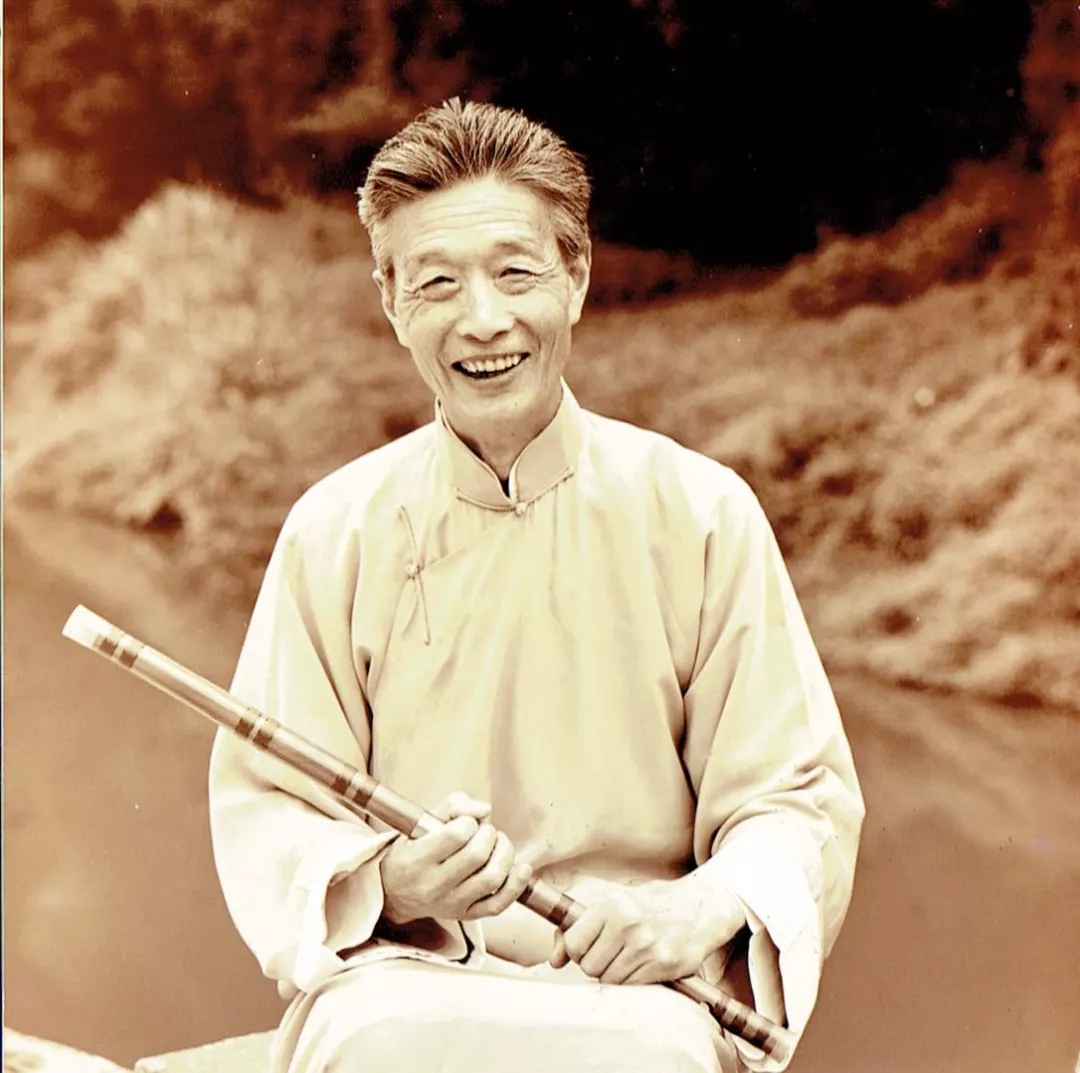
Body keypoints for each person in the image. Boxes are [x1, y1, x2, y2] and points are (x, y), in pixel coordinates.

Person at [208, 98, 864, 1073]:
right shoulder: (333, 528)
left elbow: (795, 797)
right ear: (391, 300)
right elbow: (271, 809)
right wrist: (393, 880)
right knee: (373, 1042)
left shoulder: (699, 511)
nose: (483, 320)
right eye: (437, 283)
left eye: (515, 272)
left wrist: (693, 908)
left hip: (637, 984)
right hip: (404, 976)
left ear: (577, 275)